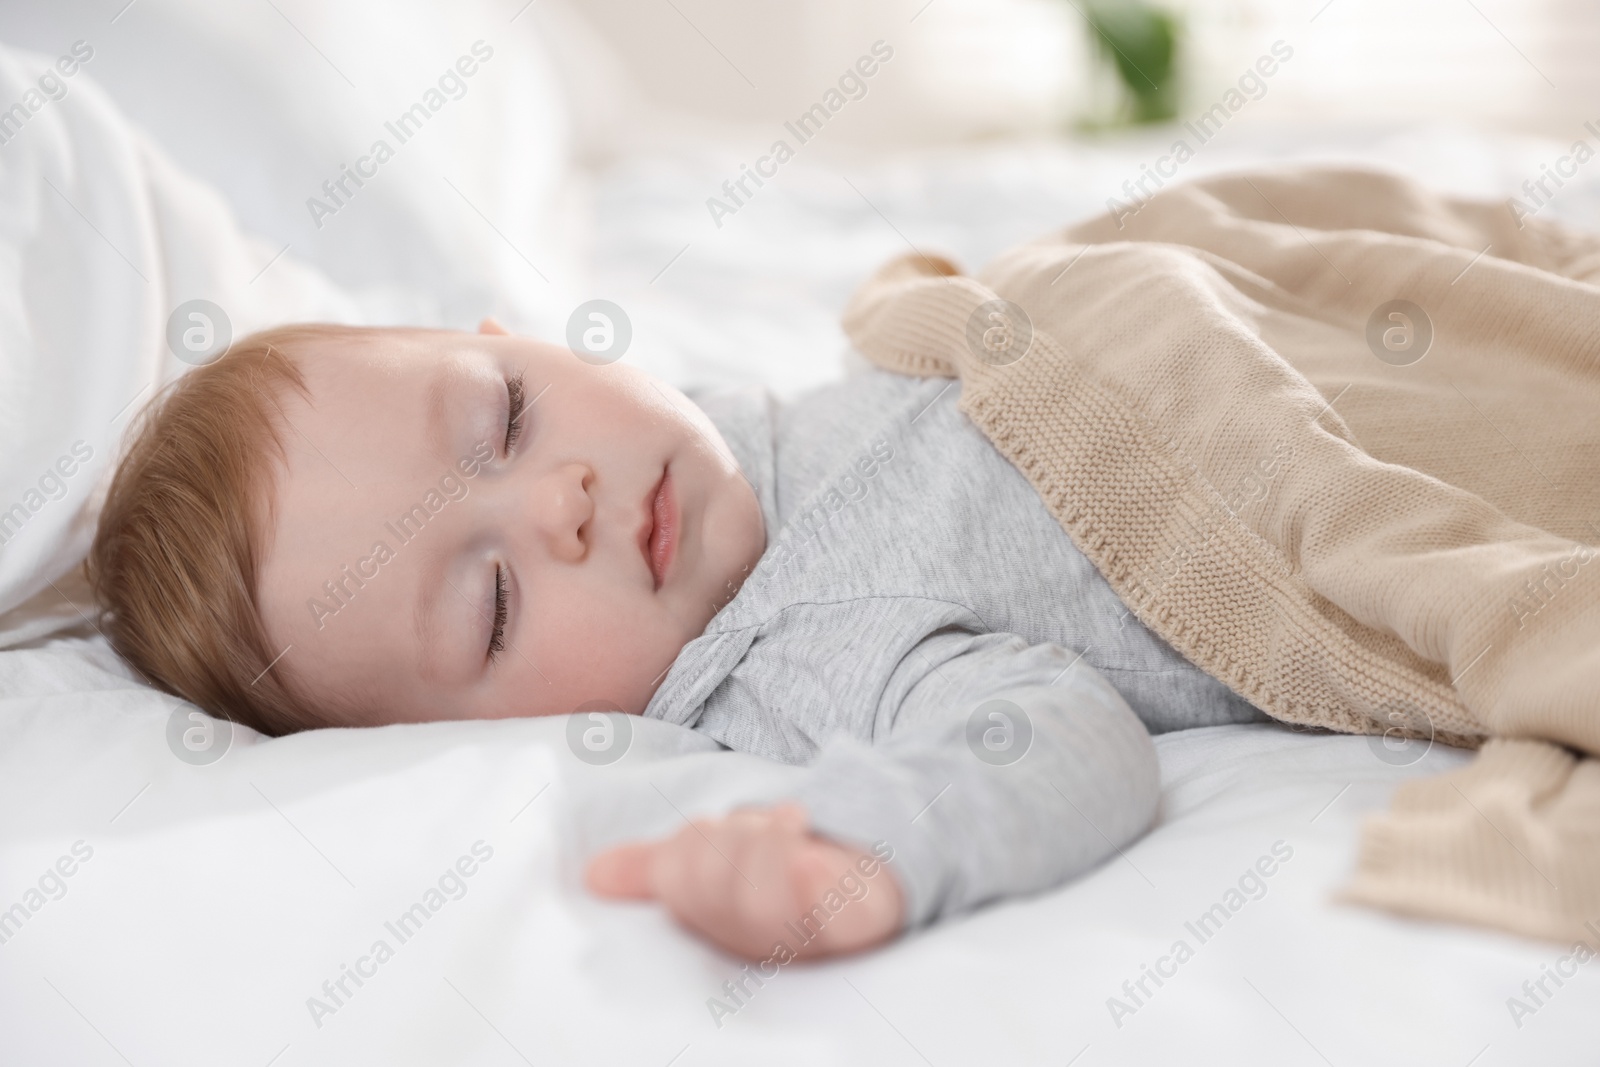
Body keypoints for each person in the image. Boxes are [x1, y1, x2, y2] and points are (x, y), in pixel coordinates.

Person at [88, 319, 1266, 960]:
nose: (562, 500)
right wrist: (863, 849)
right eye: (492, 602)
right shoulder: (796, 649)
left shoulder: (706, 429)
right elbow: (1060, 734)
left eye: (505, 415)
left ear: (521, 337)